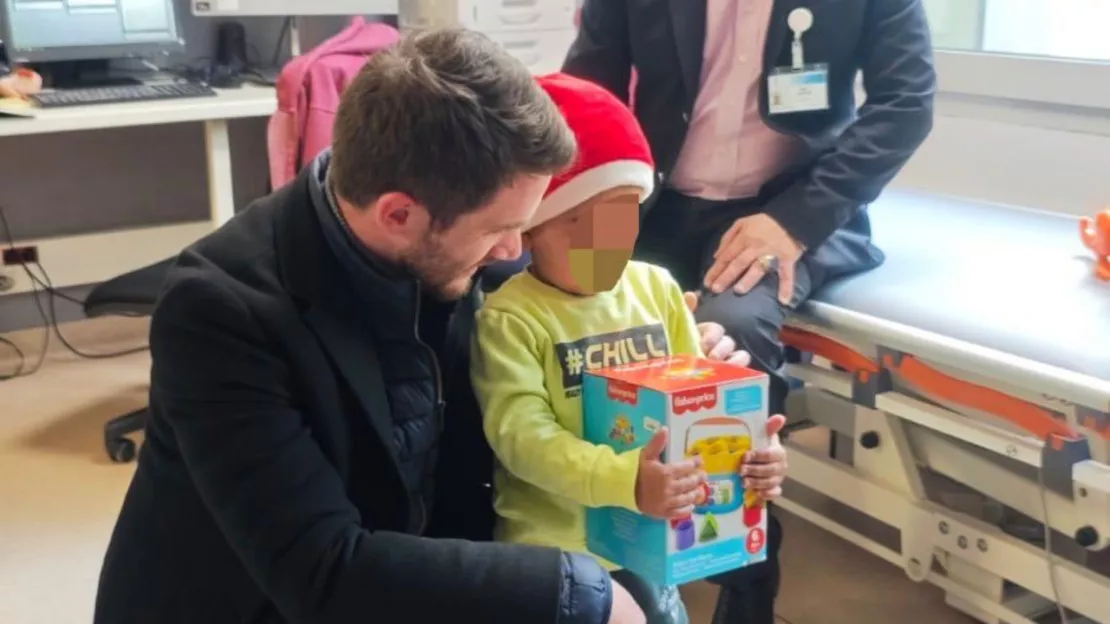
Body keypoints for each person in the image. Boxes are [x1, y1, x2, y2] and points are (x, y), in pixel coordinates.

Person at [93, 28, 767, 624]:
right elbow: (322, 572)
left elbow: (554, 386)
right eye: (501, 230)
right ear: (399, 215)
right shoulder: (221, 312)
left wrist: (676, 380)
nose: (516, 252)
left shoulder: (468, 257)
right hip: (273, 600)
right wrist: (573, 590)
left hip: (426, 555)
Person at [561, 0, 937, 621]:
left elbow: (906, 104)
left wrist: (796, 222)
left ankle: (748, 583)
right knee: (578, 315)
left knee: (730, 332)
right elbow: (587, 88)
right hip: (655, 199)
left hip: (787, 206)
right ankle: (595, 558)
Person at [471, 73, 790, 624]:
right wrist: (626, 481)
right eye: (579, 223)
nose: (606, 242)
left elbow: (700, 406)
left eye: (621, 217)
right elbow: (521, 437)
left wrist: (753, 458)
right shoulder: (510, 316)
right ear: (530, 227)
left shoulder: (657, 288)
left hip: (649, 537)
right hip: (554, 545)